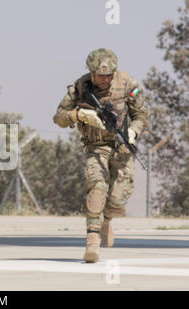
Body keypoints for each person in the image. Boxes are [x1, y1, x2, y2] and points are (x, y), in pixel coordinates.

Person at [52, 48, 149, 263]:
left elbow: (142, 115)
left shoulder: (128, 85)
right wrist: (78, 115)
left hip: (122, 148)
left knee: (117, 201)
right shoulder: (80, 87)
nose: (104, 79)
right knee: (96, 184)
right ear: (91, 72)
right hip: (96, 146)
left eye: (108, 75)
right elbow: (58, 117)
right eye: (99, 75)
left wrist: (133, 130)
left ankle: (106, 220)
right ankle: (92, 239)